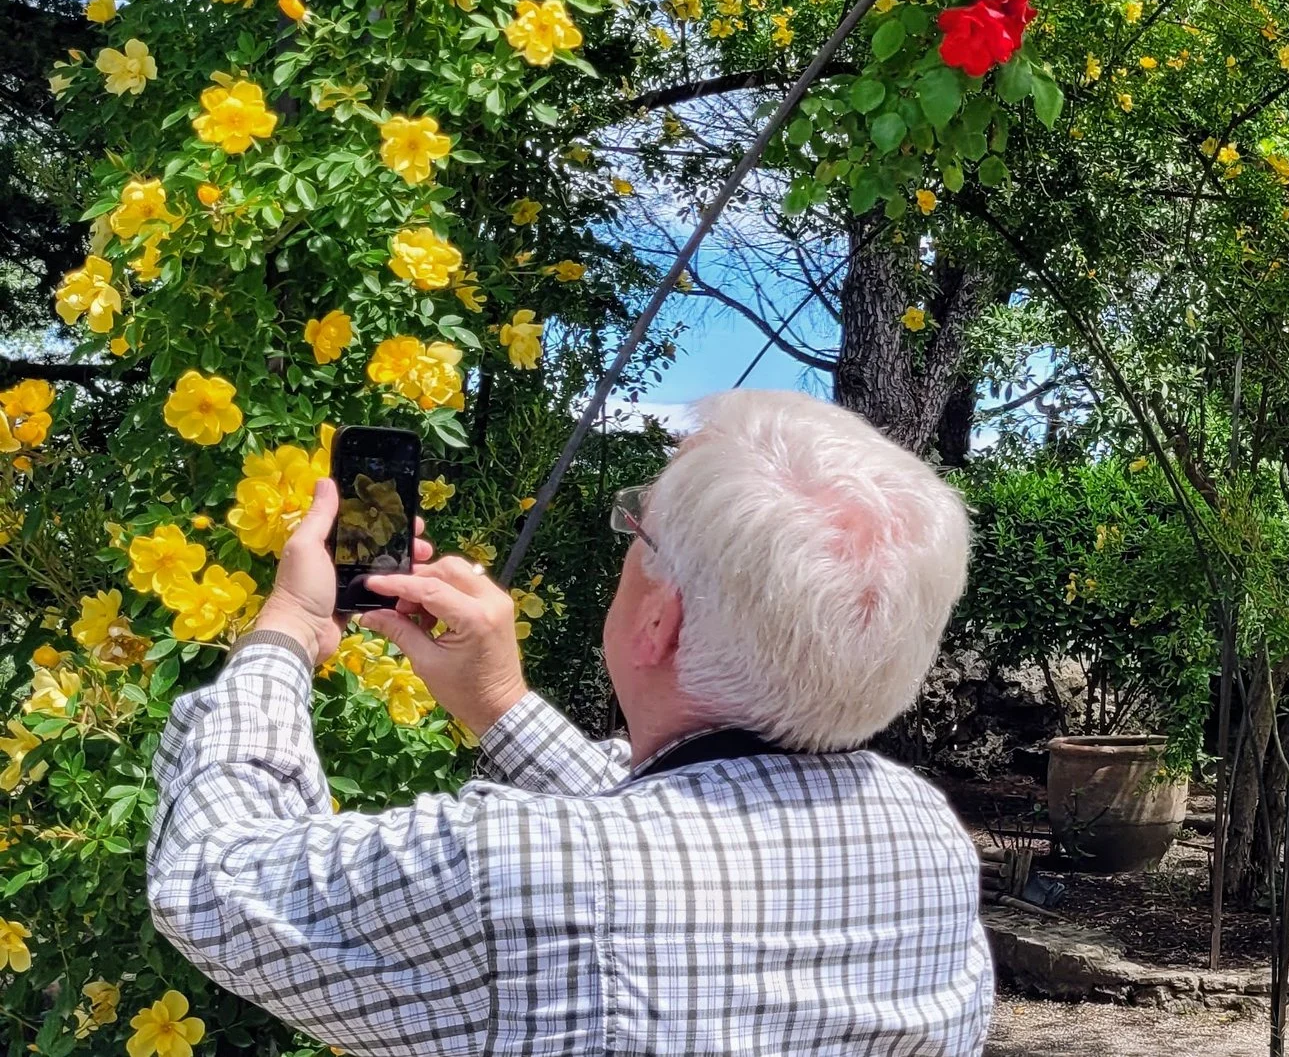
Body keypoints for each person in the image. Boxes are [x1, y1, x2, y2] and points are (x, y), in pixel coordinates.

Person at [147, 390, 993, 1056]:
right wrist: (500, 703)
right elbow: (679, 834)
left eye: (638, 523)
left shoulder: (519, 872)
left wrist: (289, 624)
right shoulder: (926, 836)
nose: (629, 535)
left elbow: (211, 879)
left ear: (661, 617)